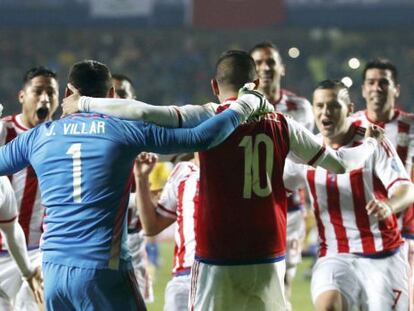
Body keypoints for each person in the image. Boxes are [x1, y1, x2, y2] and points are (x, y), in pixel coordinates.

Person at [0, 59, 270, 311]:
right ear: (112, 95)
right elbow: (203, 137)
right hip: (103, 270)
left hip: (54, 272)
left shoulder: (37, 137)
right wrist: (243, 106)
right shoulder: (123, 131)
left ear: (69, 91)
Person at [284, 80, 414, 310]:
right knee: (328, 306)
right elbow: (277, 187)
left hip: (382, 256)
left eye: (333, 106)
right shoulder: (308, 149)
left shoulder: (373, 142)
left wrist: (388, 206)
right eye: (320, 106)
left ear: (350, 109)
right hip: (335, 255)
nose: (326, 112)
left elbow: (406, 189)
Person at [250, 41, 314, 305]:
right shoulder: (241, 107)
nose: (265, 68)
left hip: (290, 206)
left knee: (285, 279)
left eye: (271, 62)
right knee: (254, 280)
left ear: (282, 68)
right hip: (252, 206)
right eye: (259, 63)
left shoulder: (300, 107)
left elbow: (306, 157)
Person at [352, 58, 414, 299]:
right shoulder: (350, 126)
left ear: (396, 89)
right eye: (371, 82)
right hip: (358, 237)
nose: (377, 88)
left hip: (405, 235)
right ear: (363, 89)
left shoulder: (410, 126)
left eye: (384, 83)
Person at [0, 66, 59, 310]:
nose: (45, 97)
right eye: (38, 91)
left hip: (41, 251)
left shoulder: (63, 137)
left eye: (51, 92)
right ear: (22, 95)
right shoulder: (4, 132)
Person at [135, 152, 199, 311]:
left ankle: (152, 262)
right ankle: (152, 262)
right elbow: (151, 227)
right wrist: (141, 178)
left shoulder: (235, 168)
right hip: (186, 277)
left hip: (222, 272)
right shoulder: (184, 172)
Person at [112, 73, 154, 303]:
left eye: (123, 95)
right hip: (100, 239)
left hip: (134, 240)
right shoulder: (92, 134)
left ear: (133, 99)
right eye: (113, 94)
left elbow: (156, 197)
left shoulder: (148, 137)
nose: (118, 100)